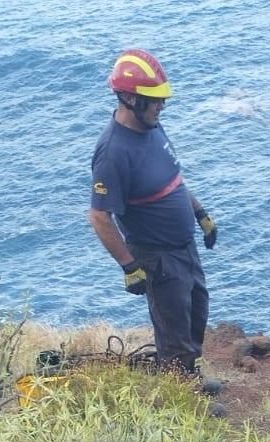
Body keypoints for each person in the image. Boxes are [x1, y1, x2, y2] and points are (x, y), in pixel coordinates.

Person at [88, 49, 219, 378]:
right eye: (155, 99)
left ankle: (190, 377)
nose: (162, 105)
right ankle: (180, 398)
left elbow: (172, 181)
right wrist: (130, 266)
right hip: (158, 256)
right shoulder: (113, 152)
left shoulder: (153, 127)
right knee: (173, 332)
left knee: (196, 314)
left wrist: (200, 214)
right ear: (131, 99)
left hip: (184, 247)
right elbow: (99, 216)